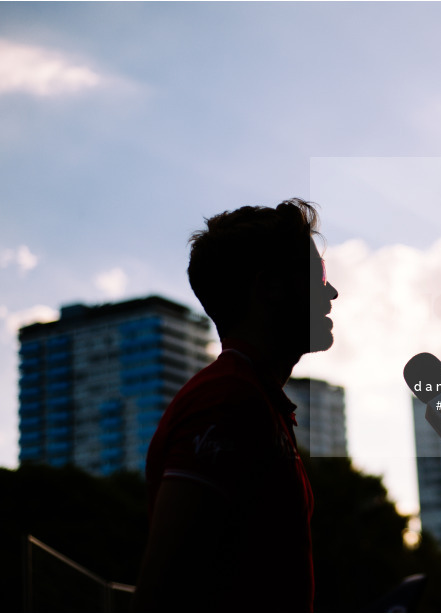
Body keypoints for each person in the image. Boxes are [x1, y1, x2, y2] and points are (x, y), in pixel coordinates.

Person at [134, 198, 338, 611]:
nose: (331, 291)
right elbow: (162, 594)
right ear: (270, 290)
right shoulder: (226, 403)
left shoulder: (256, 401)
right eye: (317, 279)